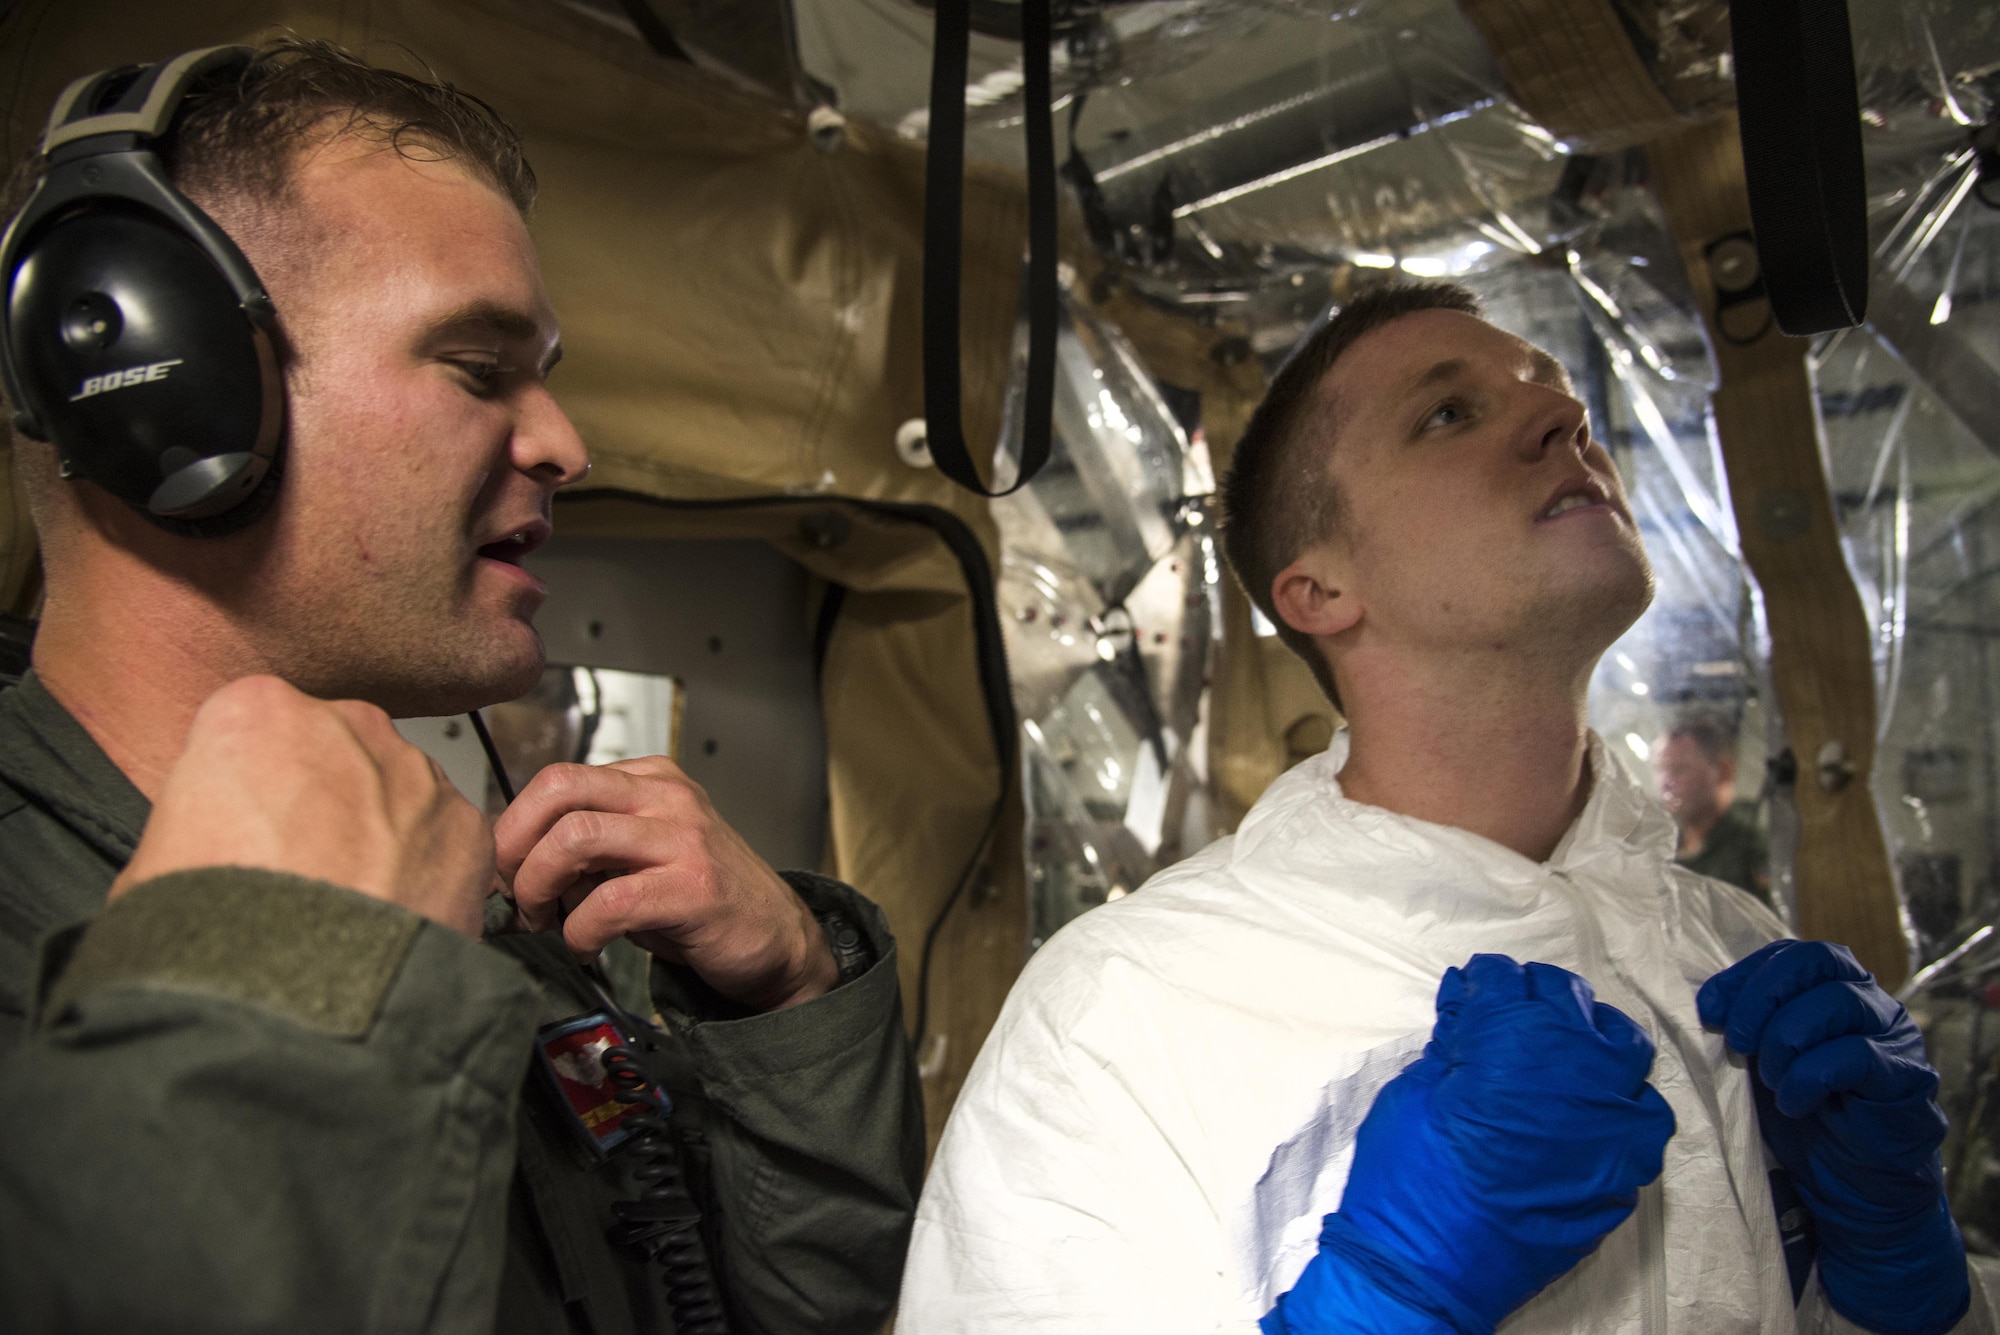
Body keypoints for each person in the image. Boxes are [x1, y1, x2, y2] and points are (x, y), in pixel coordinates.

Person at [0, 41, 920, 1333]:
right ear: (168, 389)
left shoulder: (475, 891)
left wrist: (788, 1007)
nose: (565, 443)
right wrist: (270, 998)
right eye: (480, 367)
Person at [899, 283, 1980, 1334]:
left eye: (1553, 391)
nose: (1565, 417)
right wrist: (1380, 1303)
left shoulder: (1732, 954)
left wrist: (1904, 1292)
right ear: (1316, 591)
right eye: (1448, 413)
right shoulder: (1123, 1007)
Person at [1659, 714, 1771, 905]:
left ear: (1723, 771)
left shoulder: (1752, 847)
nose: (1665, 783)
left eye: (1680, 769)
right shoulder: (1664, 847)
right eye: (1660, 769)